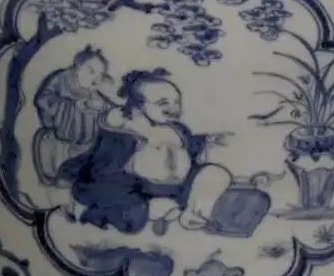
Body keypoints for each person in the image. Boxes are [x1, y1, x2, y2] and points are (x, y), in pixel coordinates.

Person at [57, 68, 234, 233]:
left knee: (216, 173)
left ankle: (194, 213)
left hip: (179, 187)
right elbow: (104, 171)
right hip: (141, 190)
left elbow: (189, 146)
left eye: (177, 102)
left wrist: (207, 140)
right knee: (140, 204)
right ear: (138, 106)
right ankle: (152, 211)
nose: (174, 109)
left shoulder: (175, 129)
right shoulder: (124, 134)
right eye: (163, 103)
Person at [32, 45, 117, 212]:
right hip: (60, 143)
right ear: (77, 66)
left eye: (100, 75)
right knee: (62, 182)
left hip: (87, 146)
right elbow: (43, 101)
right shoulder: (61, 80)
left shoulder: (97, 91)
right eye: (91, 71)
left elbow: (111, 113)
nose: (96, 78)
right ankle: (62, 210)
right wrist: (74, 105)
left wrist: (103, 108)